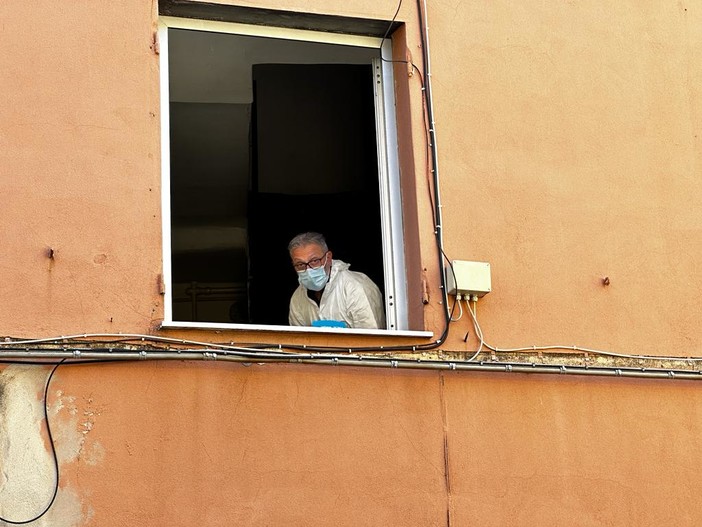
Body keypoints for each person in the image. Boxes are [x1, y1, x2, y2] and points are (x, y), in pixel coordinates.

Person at [287, 231, 386, 329]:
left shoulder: (356, 287)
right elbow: (298, 341)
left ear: (328, 258)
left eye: (314, 261)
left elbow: (373, 338)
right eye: (300, 264)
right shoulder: (298, 299)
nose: (308, 269)